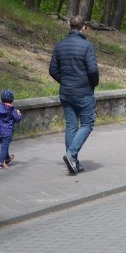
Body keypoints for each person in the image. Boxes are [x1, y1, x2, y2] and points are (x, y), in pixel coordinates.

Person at [49, 15, 99, 174]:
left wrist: (64, 81)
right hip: (83, 92)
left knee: (71, 126)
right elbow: (92, 70)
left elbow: (53, 70)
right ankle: (71, 154)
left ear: (70, 27)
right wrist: (93, 83)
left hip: (66, 92)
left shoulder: (60, 45)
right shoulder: (87, 46)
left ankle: (73, 162)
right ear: (84, 27)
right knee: (87, 124)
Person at [0, 89, 22, 169]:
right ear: (12, 99)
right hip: (8, 131)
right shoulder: (12, 110)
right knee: (4, 146)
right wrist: (19, 114)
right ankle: (0, 163)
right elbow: (17, 119)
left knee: (4, 145)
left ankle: (7, 158)